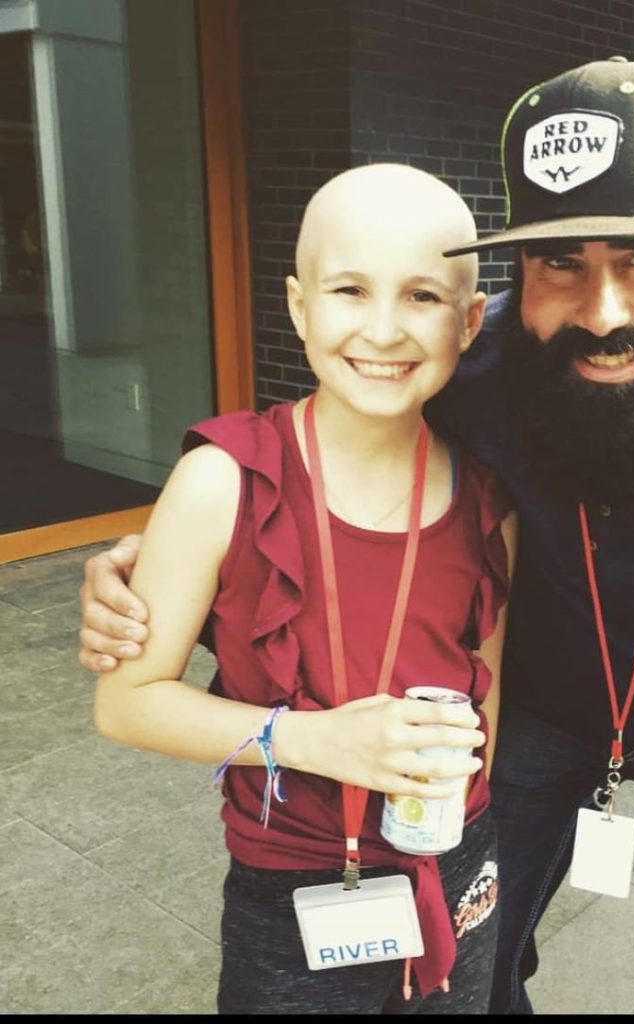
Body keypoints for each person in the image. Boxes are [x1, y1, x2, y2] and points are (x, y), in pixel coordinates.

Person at [79, 57, 634, 1015]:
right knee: (479, 955)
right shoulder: (462, 371)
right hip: (532, 709)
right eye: (562, 262)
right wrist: (168, 561)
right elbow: (322, 467)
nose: (601, 312)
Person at [90, 163, 517, 1014]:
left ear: (470, 321)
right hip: (290, 885)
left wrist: (462, 826)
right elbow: (126, 704)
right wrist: (318, 742)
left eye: (424, 297)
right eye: (351, 289)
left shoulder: (489, 500)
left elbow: (486, 699)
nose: (385, 329)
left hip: (455, 865)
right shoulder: (224, 480)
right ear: (298, 306)